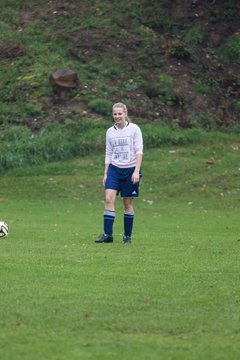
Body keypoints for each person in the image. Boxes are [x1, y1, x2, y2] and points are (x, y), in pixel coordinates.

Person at [95, 102, 143, 244]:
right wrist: (105, 173)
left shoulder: (134, 129)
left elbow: (139, 151)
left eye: (120, 113)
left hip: (130, 170)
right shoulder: (110, 131)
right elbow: (108, 153)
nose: (117, 116)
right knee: (109, 199)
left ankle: (127, 237)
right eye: (115, 114)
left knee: (127, 203)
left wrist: (136, 171)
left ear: (125, 114)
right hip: (114, 170)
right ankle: (107, 235)